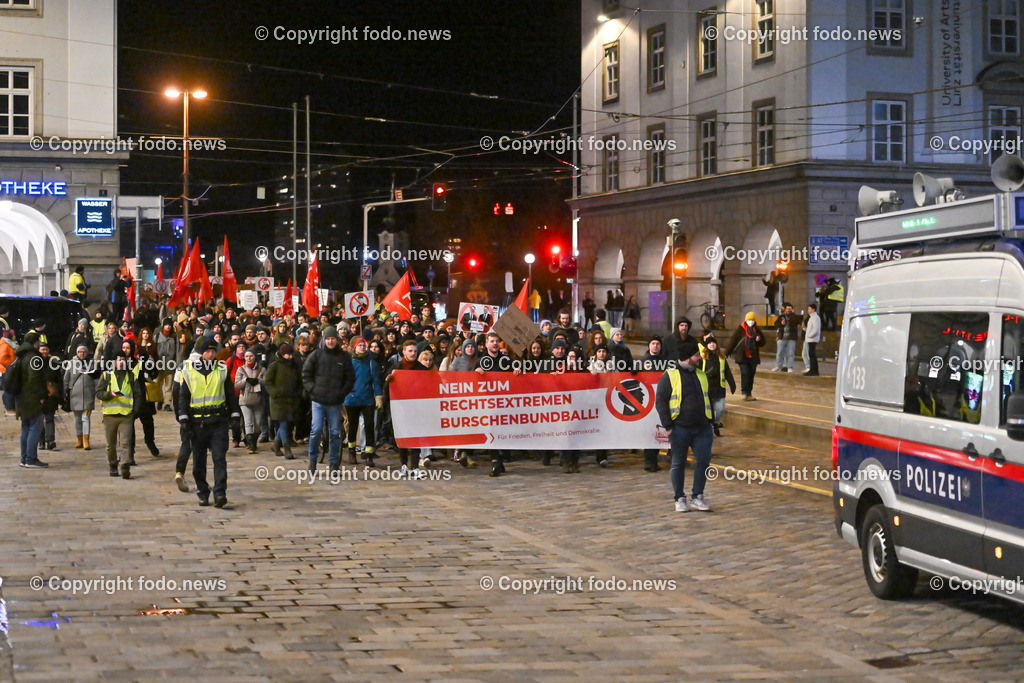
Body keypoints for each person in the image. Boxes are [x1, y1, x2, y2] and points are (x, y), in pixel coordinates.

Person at [178, 336, 240, 508]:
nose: (211, 354)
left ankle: (220, 492)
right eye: (207, 351)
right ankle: (202, 491)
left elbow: (229, 394)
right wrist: (183, 418)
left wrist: (235, 415)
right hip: (197, 423)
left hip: (218, 421)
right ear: (200, 353)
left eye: (213, 351)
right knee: (199, 461)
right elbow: (183, 397)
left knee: (220, 458)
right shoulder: (189, 370)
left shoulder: (221, 370)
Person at [655, 338, 714, 513]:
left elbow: (707, 398)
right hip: (679, 428)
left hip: (702, 428)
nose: (700, 358)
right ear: (688, 357)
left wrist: (711, 423)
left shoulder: (701, 375)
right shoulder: (670, 375)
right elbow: (660, 402)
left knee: (703, 461)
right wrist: (669, 427)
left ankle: (698, 497)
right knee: (678, 463)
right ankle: (679, 498)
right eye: (697, 355)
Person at [302, 325, 355, 476]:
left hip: (335, 401)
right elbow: (306, 374)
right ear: (324, 340)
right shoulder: (316, 355)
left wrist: (342, 393)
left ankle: (333, 463)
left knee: (334, 433)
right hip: (318, 400)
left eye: (333, 339)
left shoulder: (344, 357)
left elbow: (350, 378)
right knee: (316, 430)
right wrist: (312, 389)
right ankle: (312, 459)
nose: (330, 341)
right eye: (328, 339)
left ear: (336, 340)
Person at [96, 351, 142, 478]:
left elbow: (138, 394)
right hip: (109, 415)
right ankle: (112, 465)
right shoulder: (106, 376)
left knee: (126, 443)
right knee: (111, 445)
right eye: (118, 360)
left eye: (123, 359)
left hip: (126, 415)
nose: (121, 362)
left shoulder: (131, 376)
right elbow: (99, 393)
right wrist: (110, 394)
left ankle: (125, 465)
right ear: (114, 362)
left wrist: (135, 411)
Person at [12, 331, 50, 468]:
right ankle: (31, 458)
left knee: (26, 428)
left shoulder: (20, 356)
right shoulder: (34, 358)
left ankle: (24, 458)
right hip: (31, 398)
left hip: (20, 397)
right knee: (36, 427)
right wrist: (41, 396)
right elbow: (35, 379)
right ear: (36, 342)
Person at [345, 337, 383, 468]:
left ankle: (369, 454)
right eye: (359, 345)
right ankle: (351, 451)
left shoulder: (371, 363)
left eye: (364, 345)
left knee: (369, 426)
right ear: (354, 347)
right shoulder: (349, 362)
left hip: (367, 399)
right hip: (352, 399)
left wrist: (378, 396)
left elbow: (376, 381)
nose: (362, 347)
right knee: (353, 426)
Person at [639, 335, 670, 472]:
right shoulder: (641, 362)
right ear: (648, 346)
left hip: (662, 402)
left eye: (658, 343)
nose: (655, 346)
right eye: (653, 343)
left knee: (659, 431)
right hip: (647, 403)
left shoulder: (666, 362)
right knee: (649, 432)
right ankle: (649, 461)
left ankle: (656, 459)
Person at [265, 343, 301, 460]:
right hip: (278, 400)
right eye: (286, 354)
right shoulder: (274, 366)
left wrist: (299, 392)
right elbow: (268, 382)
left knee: (286, 424)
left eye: (290, 354)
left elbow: (300, 380)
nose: (289, 357)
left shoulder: (295, 366)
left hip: (291, 399)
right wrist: (274, 393)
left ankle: (276, 444)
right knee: (283, 423)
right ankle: (287, 448)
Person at [64, 344, 100, 450]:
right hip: (75, 394)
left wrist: (97, 391)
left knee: (86, 418)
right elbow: (66, 378)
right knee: (77, 418)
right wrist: (65, 390)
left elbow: (96, 379)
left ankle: (86, 439)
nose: (82, 354)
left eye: (84, 352)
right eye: (80, 352)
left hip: (88, 394)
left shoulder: (92, 363)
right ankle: (79, 438)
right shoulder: (71, 363)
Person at [700, 336, 736, 437]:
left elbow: (727, 372)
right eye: (710, 343)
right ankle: (711, 426)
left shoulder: (721, 358)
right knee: (709, 410)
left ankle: (716, 422)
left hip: (719, 388)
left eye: (714, 343)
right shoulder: (702, 358)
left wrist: (732, 384)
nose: (712, 344)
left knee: (720, 409)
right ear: (706, 345)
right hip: (707, 389)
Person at [727, 312, 765, 401]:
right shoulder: (740, 329)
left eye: (752, 320)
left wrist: (758, 340)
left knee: (751, 374)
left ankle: (749, 393)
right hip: (742, 357)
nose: (750, 322)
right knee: (745, 373)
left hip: (753, 357)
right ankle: (744, 392)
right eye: (749, 320)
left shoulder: (757, 330)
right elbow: (733, 341)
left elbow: (763, 342)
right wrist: (726, 353)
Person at [234, 349, 267, 453]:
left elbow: (266, 383)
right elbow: (237, 384)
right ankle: (251, 444)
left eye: (251, 356)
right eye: (247, 356)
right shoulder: (241, 369)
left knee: (257, 423)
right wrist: (245, 380)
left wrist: (258, 381)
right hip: (245, 400)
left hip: (258, 400)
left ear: (255, 357)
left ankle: (253, 439)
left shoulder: (262, 369)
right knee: (248, 422)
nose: (249, 358)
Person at [772, 302, 799, 373]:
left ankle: (789, 367)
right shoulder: (781, 317)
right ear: (785, 310)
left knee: (790, 353)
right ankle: (778, 366)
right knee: (779, 353)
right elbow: (775, 325)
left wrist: (792, 314)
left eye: (790, 309)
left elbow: (797, 321)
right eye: (787, 309)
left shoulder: (793, 316)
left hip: (791, 338)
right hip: (782, 337)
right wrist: (781, 323)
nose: (788, 310)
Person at [802, 303, 821, 376]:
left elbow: (815, 329)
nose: (808, 310)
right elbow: (810, 329)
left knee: (812, 355)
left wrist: (810, 335)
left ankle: (814, 370)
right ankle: (813, 370)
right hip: (810, 339)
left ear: (813, 309)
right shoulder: (812, 317)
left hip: (812, 339)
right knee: (811, 355)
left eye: (809, 309)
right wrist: (804, 328)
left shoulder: (815, 317)